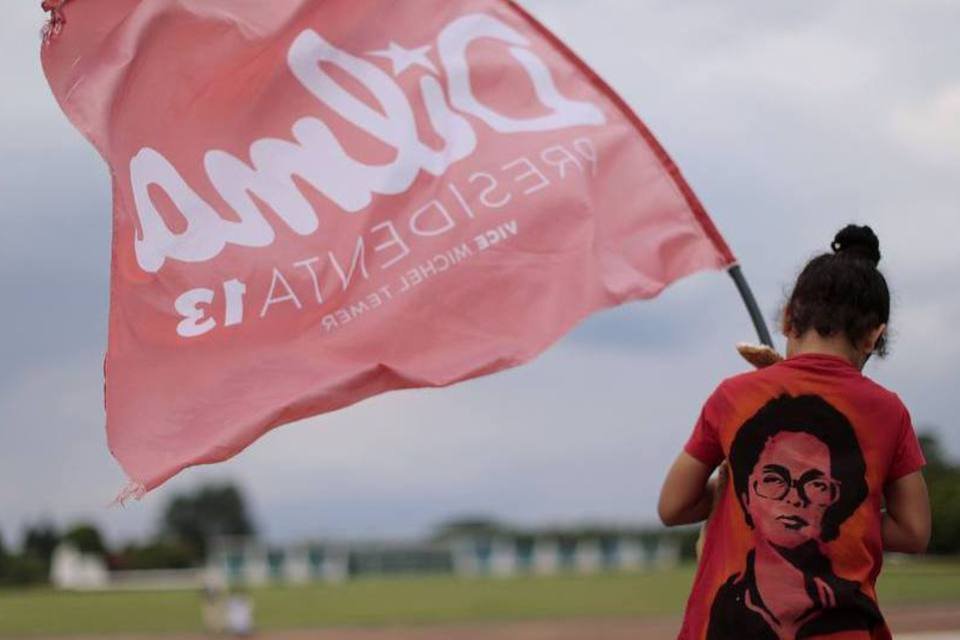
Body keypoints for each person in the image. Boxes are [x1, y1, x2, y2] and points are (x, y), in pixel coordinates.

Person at [658, 225, 930, 640]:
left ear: (787, 318)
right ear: (875, 336)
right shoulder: (889, 411)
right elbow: (913, 531)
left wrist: (740, 484)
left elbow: (674, 506)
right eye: (774, 481)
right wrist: (846, 518)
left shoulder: (732, 396)